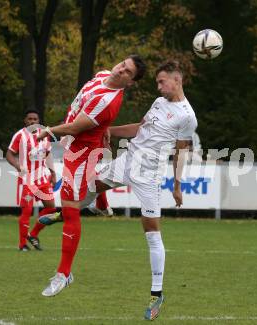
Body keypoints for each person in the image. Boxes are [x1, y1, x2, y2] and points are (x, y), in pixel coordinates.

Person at [43, 60, 198, 320]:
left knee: (151, 231)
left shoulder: (187, 116)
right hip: (126, 162)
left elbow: (181, 151)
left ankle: (156, 293)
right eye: (157, 82)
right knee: (86, 188)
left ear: (177, 80)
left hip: (149, 175)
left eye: (162, 82)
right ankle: (68, 213)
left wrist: (178, 185)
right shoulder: (159, 104)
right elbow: (141, 128)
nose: (159, 87)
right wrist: (110, 131)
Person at [35, 55, 146, 297]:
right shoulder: (103, 75)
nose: (120, 70)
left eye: (127, 72)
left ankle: (64, 274)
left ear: (131, 82)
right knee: (87, 189)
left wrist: (49, 131)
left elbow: (76, 127)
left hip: (81, 155)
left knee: (71, 209)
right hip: (75, 146)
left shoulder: (109, 102)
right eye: (122, 65)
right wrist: (101, 130)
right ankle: (100, 206)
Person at [6, 110, 57, 251]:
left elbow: (48, 154)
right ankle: (22, 244)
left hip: (42, 179)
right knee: (27, 211)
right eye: (30, 119)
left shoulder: (44, 134)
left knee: (51, 208)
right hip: (27, 180)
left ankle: (33, 234)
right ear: (25, 120)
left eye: (35, 119)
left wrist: (52, 173)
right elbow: (9, 154)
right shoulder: (20, 135)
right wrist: (17, 166)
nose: (32, 121)